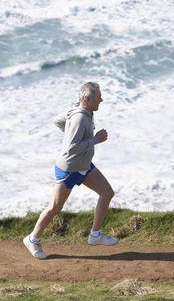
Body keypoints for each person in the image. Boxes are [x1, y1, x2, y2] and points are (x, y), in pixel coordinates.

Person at [23, 82, 118, 259]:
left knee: (107, 192)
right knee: (54, 208)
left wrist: (71, 133)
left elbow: (57, 121)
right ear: (87, 99)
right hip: (69, 169)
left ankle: (95, 235)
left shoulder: (82, 112)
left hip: (84, 165)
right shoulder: (80, 117)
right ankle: (32, 238)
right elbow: (71, 148)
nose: (102, 100)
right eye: (98, 97)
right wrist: (95, 140)